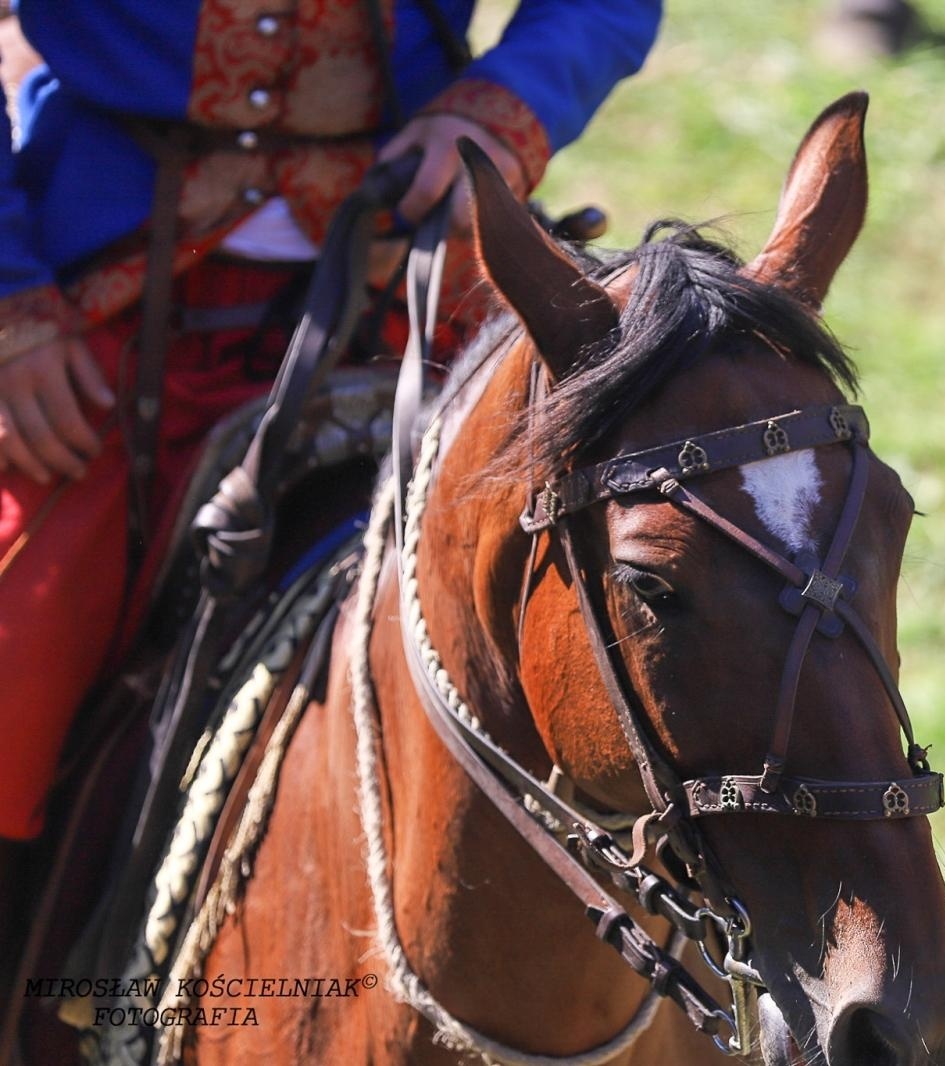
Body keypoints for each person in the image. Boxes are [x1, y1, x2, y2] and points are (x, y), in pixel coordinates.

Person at [0, 0, 661, 974]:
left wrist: (499, 107)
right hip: (93, 300)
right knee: (17, 655)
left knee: (646, 610)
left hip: (412, 267)